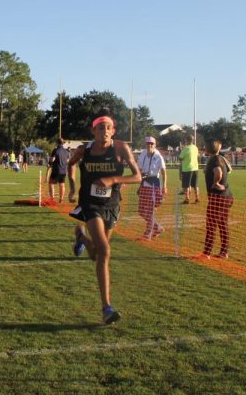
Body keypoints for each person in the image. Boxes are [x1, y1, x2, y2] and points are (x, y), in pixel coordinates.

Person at [68, 113, 142, 325]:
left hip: (112, 204)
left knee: (98, 255)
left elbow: (137, 176)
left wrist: (113, 179)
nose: (104, 131)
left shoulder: (120, 148)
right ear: (93, 131)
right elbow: (71, 164)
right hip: (90, 204)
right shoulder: (85, 150)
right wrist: (73, 187)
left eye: (108, 127)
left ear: (114, 130)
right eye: (100, 128)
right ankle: (106, 308)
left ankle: (82, 238)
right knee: (106, 251)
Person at [200, 139, 234, 259]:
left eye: (204, 146)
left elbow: (218, 172)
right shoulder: (220, 158)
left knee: (211, 225)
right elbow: (229, 170)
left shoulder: (214, 159)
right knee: (222, 224)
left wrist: (216, 182)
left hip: (218, 198)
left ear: (208, 149)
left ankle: (206, 253)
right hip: (226, 196)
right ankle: (224, 252)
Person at [137, 136, 167, 240]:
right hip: (144, 183)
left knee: (150, 210)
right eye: (148, 143)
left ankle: (148, 233)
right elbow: (140, 169)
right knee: (141, 211)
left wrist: (165, 186)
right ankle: (157, 227)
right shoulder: (143, 154)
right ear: (145, 144)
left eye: (152, 144)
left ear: (155, 145)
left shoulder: (158, 156)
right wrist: (139, 185)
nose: (149, 145)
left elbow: (164, 172)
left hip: (154, 184)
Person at [47, 138, 70, 203]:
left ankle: (52, 199)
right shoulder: (66, 151)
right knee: (62, 184)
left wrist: (49, 163)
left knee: (51, 184)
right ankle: (61, 199)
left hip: (56, 170)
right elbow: (67, 161)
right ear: (63, 143)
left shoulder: (55, 150)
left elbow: (52, 159)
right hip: (64, 171)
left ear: (57, 143)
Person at [179, 135, 200, 204]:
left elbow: (180, 158)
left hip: (187, 169)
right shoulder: (195, 148)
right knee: (195, 185)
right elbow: (198, 156)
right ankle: (197, 198)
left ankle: (187, 199)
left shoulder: (186, 148)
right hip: (195, 168)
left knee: (186, 185)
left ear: (187, 140)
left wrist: (181, 150)